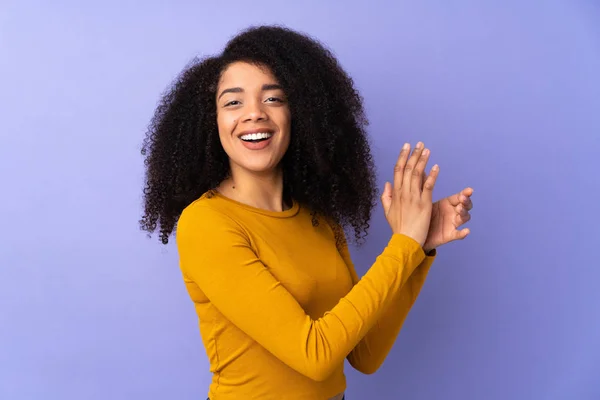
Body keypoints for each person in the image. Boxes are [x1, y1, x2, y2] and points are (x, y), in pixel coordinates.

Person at [140, 25, 473, 400]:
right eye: (233, 102)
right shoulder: (207, 224)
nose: (254, 114)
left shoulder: (318, 219)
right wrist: (402, 245)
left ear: (300, 113)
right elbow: (314, 355)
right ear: (211, 122)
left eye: (273, 99)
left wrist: (418, 250)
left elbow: (366, 355)